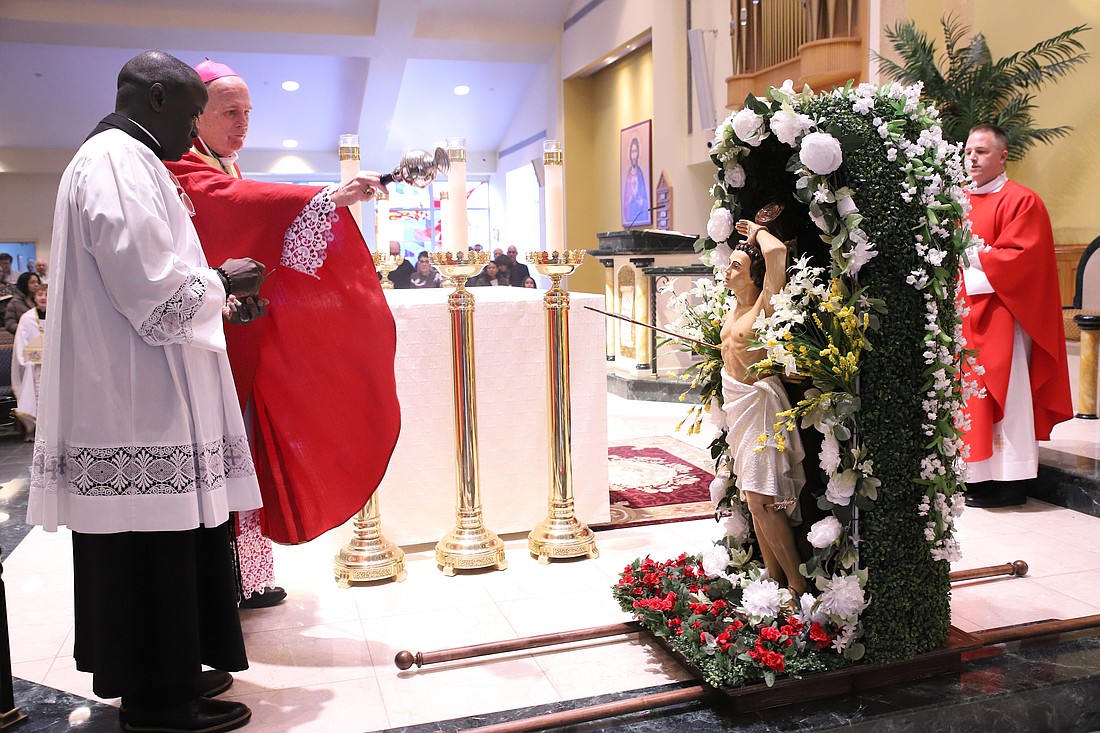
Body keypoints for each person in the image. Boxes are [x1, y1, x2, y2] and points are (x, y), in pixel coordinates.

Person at [28, 50, 268, 733]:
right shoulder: (113, 163)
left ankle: (176, 671)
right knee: (150, 552)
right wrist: (224, 280)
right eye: (193, 113)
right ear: (157, 97)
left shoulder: (129, 161)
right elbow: (153, 292)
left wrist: (219, 299)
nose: (196, 131)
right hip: (135, 404)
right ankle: (159, 700)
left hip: (149, 394)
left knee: (172, 549)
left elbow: (161, 275)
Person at [166, 58, 400, 608]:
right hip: (201, 345)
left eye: (248, 112)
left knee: (246, 445)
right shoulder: (179, 164)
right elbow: (231, 209)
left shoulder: (225, 165)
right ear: (196, 113)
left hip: (239, 339)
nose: (243, 123)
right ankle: (223, 579)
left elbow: (248, 213)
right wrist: (324, 198)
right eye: (230, 111)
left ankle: (247, 574)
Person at [960, 123, 1073, 507]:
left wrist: (971, 256)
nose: (972, 158)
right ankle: (974, 477)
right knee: (968, 398)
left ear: (1003, 156)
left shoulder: (1023, 201)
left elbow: (1023, 259)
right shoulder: (955, 201)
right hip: (964, 317)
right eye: (969, 151)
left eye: (982, 152)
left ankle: (1010, 481)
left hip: (1005, 317)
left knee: (1009, 395)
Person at [719, 211, 807, 595]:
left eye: (735, 267)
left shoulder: (762, 308)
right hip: (738, 407)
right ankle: (773, 579)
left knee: (764, 500)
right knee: (753, 501)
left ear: (752, 274)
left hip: (760, 409)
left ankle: (797, 584)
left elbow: (776, 254)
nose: (727, 272)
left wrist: (757, 232)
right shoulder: (732, 311)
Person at [12, 285, 46, 439]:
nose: (44, 298)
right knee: (38, 395)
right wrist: (27, 361)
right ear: (34, 297)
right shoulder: (27, 318)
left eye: (47, 294)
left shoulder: (57, 317)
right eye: (40, 294)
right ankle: (37, 430)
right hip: (35, 367)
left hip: (54, 367)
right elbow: (21, 342)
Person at [622, 136, 649, 226]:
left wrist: (642, 202)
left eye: (635, 151)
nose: (634, 156)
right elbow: (625, 204)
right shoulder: (628, 176)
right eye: (632, 152)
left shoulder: (640, 174)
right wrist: (629, 200)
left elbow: (645, 199)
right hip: (631, 212)